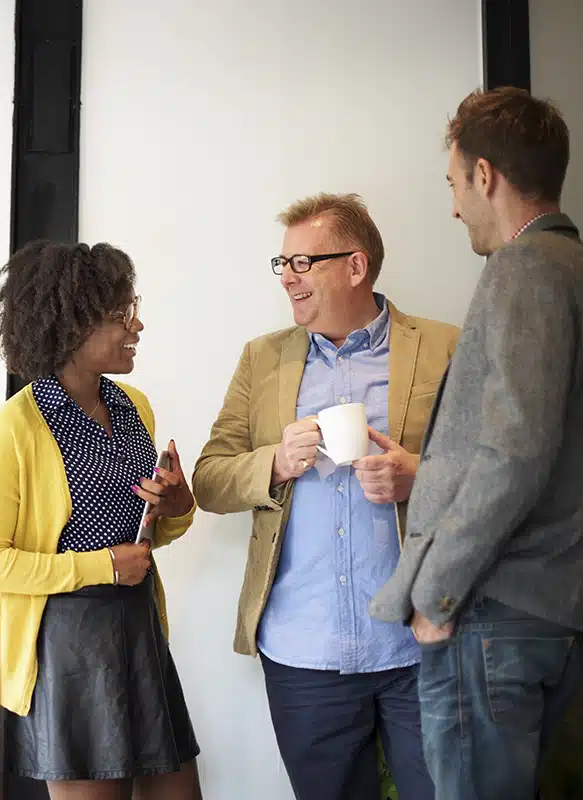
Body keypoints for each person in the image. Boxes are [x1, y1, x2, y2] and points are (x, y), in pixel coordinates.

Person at [370, 87, 583, 800]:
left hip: (496, 615)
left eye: (454, 184)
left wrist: (437, 591)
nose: (455, 207)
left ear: (484, 175)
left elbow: (515, 451)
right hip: (570, 613)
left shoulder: (526, 267)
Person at [192, 193, 459, 800]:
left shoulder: (446, 346)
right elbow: (209, 479)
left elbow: (497, 473)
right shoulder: (262, 359)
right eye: (282, 263)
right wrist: (274, 462)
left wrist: (418, 476)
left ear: (356, 266)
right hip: (303, 651)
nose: (287, 277)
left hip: (422, 642)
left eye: (302, 262)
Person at [0, 241, 202, 800]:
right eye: (121, 313)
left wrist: (176, 508)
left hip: (140, 630)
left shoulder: (133, 405)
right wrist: (103, 567)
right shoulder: (16, 428)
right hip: (70, 648)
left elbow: (146, 535)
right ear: (71, 325)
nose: (137, 325)